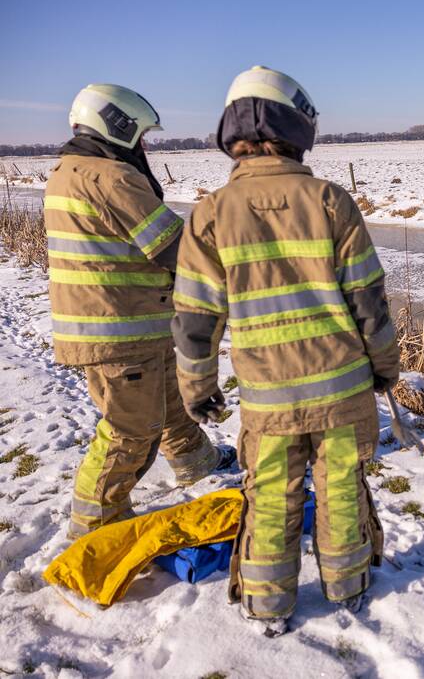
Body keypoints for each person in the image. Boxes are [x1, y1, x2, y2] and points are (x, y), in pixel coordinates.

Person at [171, 66, 401, 636]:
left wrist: (198, 392)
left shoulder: (209, 214)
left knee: (271, 496)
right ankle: (349, 588)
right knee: (342, 489)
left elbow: (195, 323)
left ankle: (269, 607)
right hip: (343, 393)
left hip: (269, 405)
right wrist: (385, 367)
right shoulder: (329, 201)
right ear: (298, 127)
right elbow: (369, 302)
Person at [43, 84, 235, 539]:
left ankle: (195, 461)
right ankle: (97, 522)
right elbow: (175, 247)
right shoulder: (111, 177)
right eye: (141, 135)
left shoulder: (69, 171)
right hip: (118, 329)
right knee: (132, 429)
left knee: (168, 401)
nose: (144, 145)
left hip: (127, 323)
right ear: (118, 126)